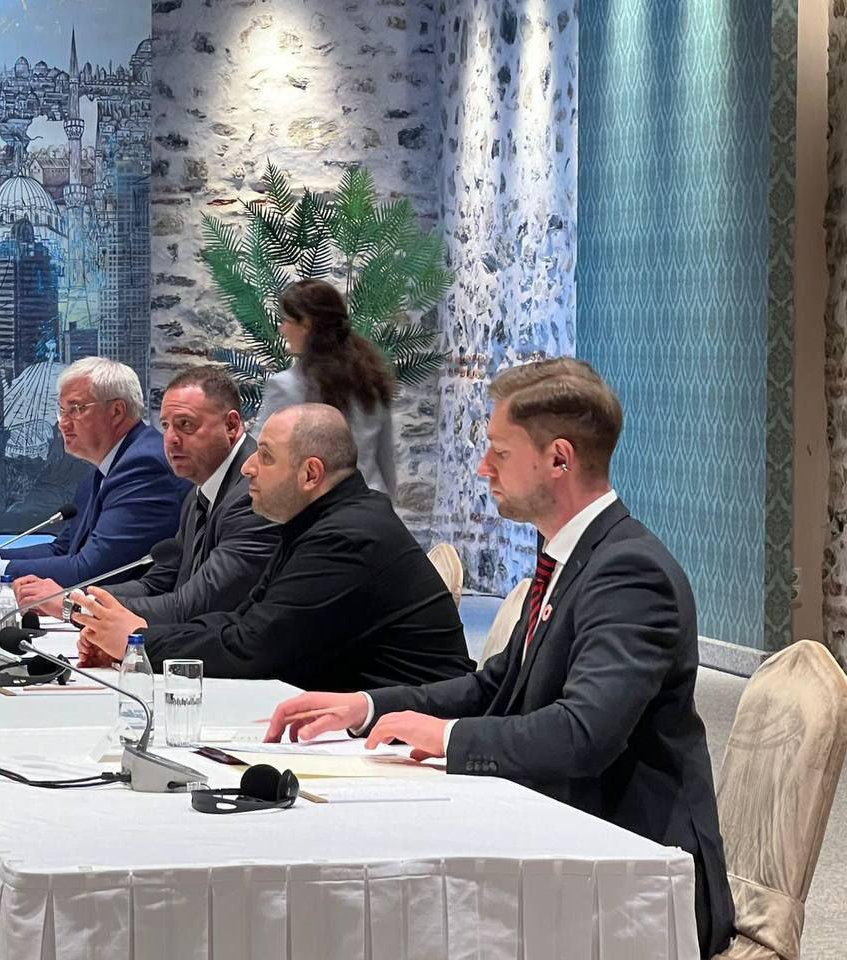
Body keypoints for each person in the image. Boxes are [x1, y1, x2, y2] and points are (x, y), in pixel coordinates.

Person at [263, 359, 734, 958]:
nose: (484, 467)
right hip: (568, 840)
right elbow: (494, 686)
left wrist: (446, 736)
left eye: (500, 452)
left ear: (559, 459)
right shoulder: (574, 556)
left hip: (636, 875)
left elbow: (584, 734)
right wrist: (366, 707)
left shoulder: (629, 572)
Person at [72, 403, 472, 691]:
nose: (248, 467)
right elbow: (241, 620)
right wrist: (137, 642)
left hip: (410, 732)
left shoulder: (348, 536)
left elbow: (253, 649)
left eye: (265, 457)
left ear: (310, 473)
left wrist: (139, 640)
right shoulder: (317, 520)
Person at [14, 365, 279, 622]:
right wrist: (76, 598)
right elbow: (156, 583)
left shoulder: (253, 495)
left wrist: (72, 605)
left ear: (231, 425)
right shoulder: (199, 492)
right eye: (166, 426)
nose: (171, 439)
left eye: (185, 424)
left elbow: (194, 605)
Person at [0, 357, 189, 586]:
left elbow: (89, 570)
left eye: (76, 409)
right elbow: (63, 549)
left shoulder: (144, 467)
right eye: (61, 411)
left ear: (116, 411)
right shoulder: (106, 468)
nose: (62, 423)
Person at [252, 279, 396, 497]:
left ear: (306, 325)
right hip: (372, 501)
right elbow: (385, 458)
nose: (282, 329)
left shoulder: (286, 387)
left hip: (320, 507)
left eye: (286, 321)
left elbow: (261, 454)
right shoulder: (372, 379)